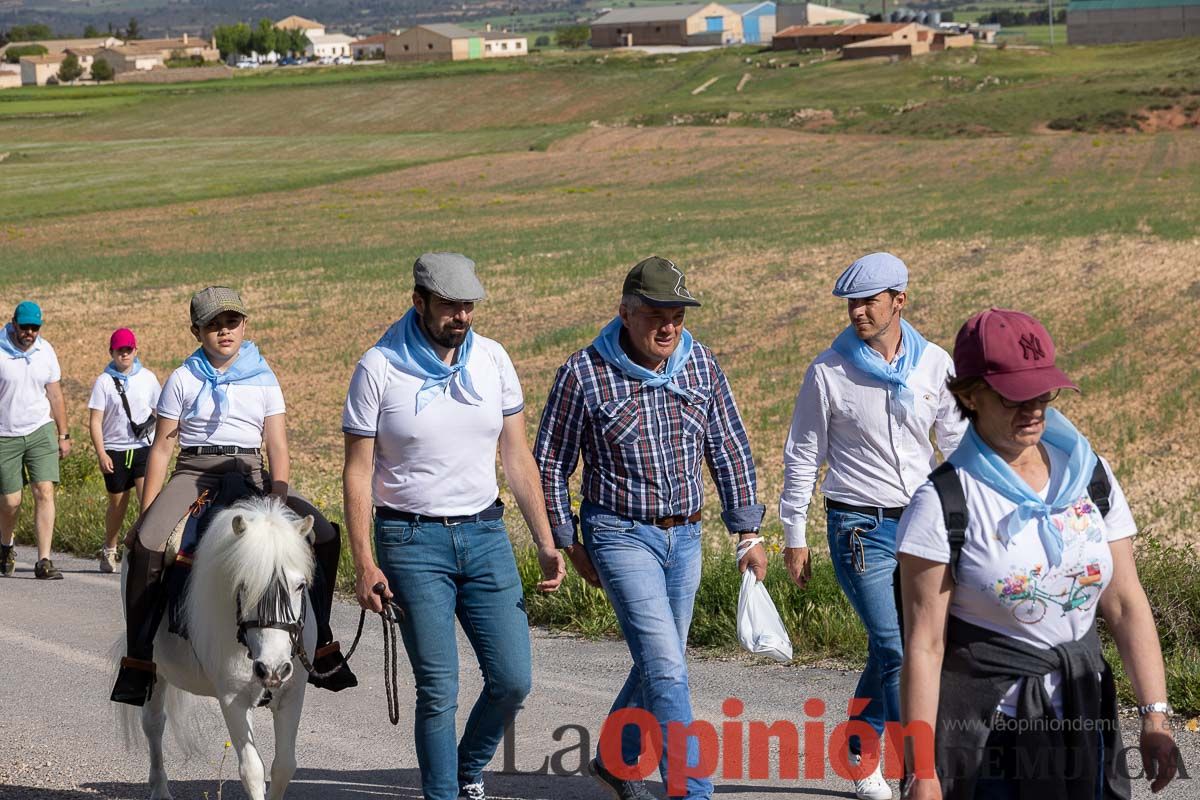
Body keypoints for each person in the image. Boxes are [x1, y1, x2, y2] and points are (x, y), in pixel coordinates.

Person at [897, 308, 1177, 800]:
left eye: (1042, 393)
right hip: (990, 741)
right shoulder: (942, 503)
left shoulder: (1089, 476)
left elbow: (1126, 602)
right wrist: (922, 772)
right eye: (1013, 396)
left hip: (1084, 721)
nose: (1033, 409)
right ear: (969, 395)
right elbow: (924, 647)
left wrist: (1156, 715)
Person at [535, 256, 767, 800]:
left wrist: (748, 532)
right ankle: (693, 791)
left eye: (678, 316)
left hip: (684, 535)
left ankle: (618, 761)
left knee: (663, 661)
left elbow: (728, 444)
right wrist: (567, 540)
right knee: (665, 667)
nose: (668, 326)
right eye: (657, 314)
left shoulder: (699, 364)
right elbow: (551, 462)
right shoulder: (583, 373)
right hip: (618, 533)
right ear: (626, 312)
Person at [343, 253, 565, 800]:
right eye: (449, 306)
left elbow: (516, 455)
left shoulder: (492, 360)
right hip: (411, 541)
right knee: (440, 688)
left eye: (468, 306)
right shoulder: (380, 366)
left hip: (486, 536)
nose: (461, 316)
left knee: (513, 680)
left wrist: (544, 540)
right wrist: (365, 562)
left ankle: (467, 768)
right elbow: (358, 470)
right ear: (419, 302)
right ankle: (443, 793)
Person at [110, 287, 357, 706]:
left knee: (327, 537)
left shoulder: (263, 377)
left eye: (231, 322)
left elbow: (277, 445)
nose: (224, 332)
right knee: (148, 544)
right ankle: (140, 659)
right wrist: (147, 509)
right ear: (196, 331)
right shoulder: (183, 379)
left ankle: (321, 645)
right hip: (195, 472)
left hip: (253, 472)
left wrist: (278, 495)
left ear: (244, 325)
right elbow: (163, 449)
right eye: (213, 325)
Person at [779, 253, 964, 800]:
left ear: (899, 301)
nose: (857, 311)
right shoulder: (829, 370)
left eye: (868, 301)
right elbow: (802, 455)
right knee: (896, 647)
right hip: (858, 527)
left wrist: (968, 520)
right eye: (851, 303)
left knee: (904, 646)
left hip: (923, 525)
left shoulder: (935, 366)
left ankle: (857, 750)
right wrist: (795, 534)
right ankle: (915, 774)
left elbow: (955, 448)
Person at [0, 301, 71, 581]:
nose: (30, 332)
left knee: (44, 490)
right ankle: (5, 546)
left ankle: (44, 560)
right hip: (5, 433)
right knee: (10, 501)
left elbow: (54, 394)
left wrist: (63, 434)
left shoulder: (45, 350)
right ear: (13, 323)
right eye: (25, 327)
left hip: (40, 429)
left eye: (35, 327)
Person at [87, 328, 161, 573]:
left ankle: (143, 550)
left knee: (147, 502)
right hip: (115, 451)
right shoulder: (104, 382)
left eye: (129, 349)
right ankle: (110, 547)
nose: (125, 354)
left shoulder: (148, 378)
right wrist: (101, 453)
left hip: (142, 448)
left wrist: (160, 444)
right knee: (118, 505)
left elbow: (161, 412)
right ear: (112, 352)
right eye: (120, 350)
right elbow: (95, 420)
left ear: (135, 351)